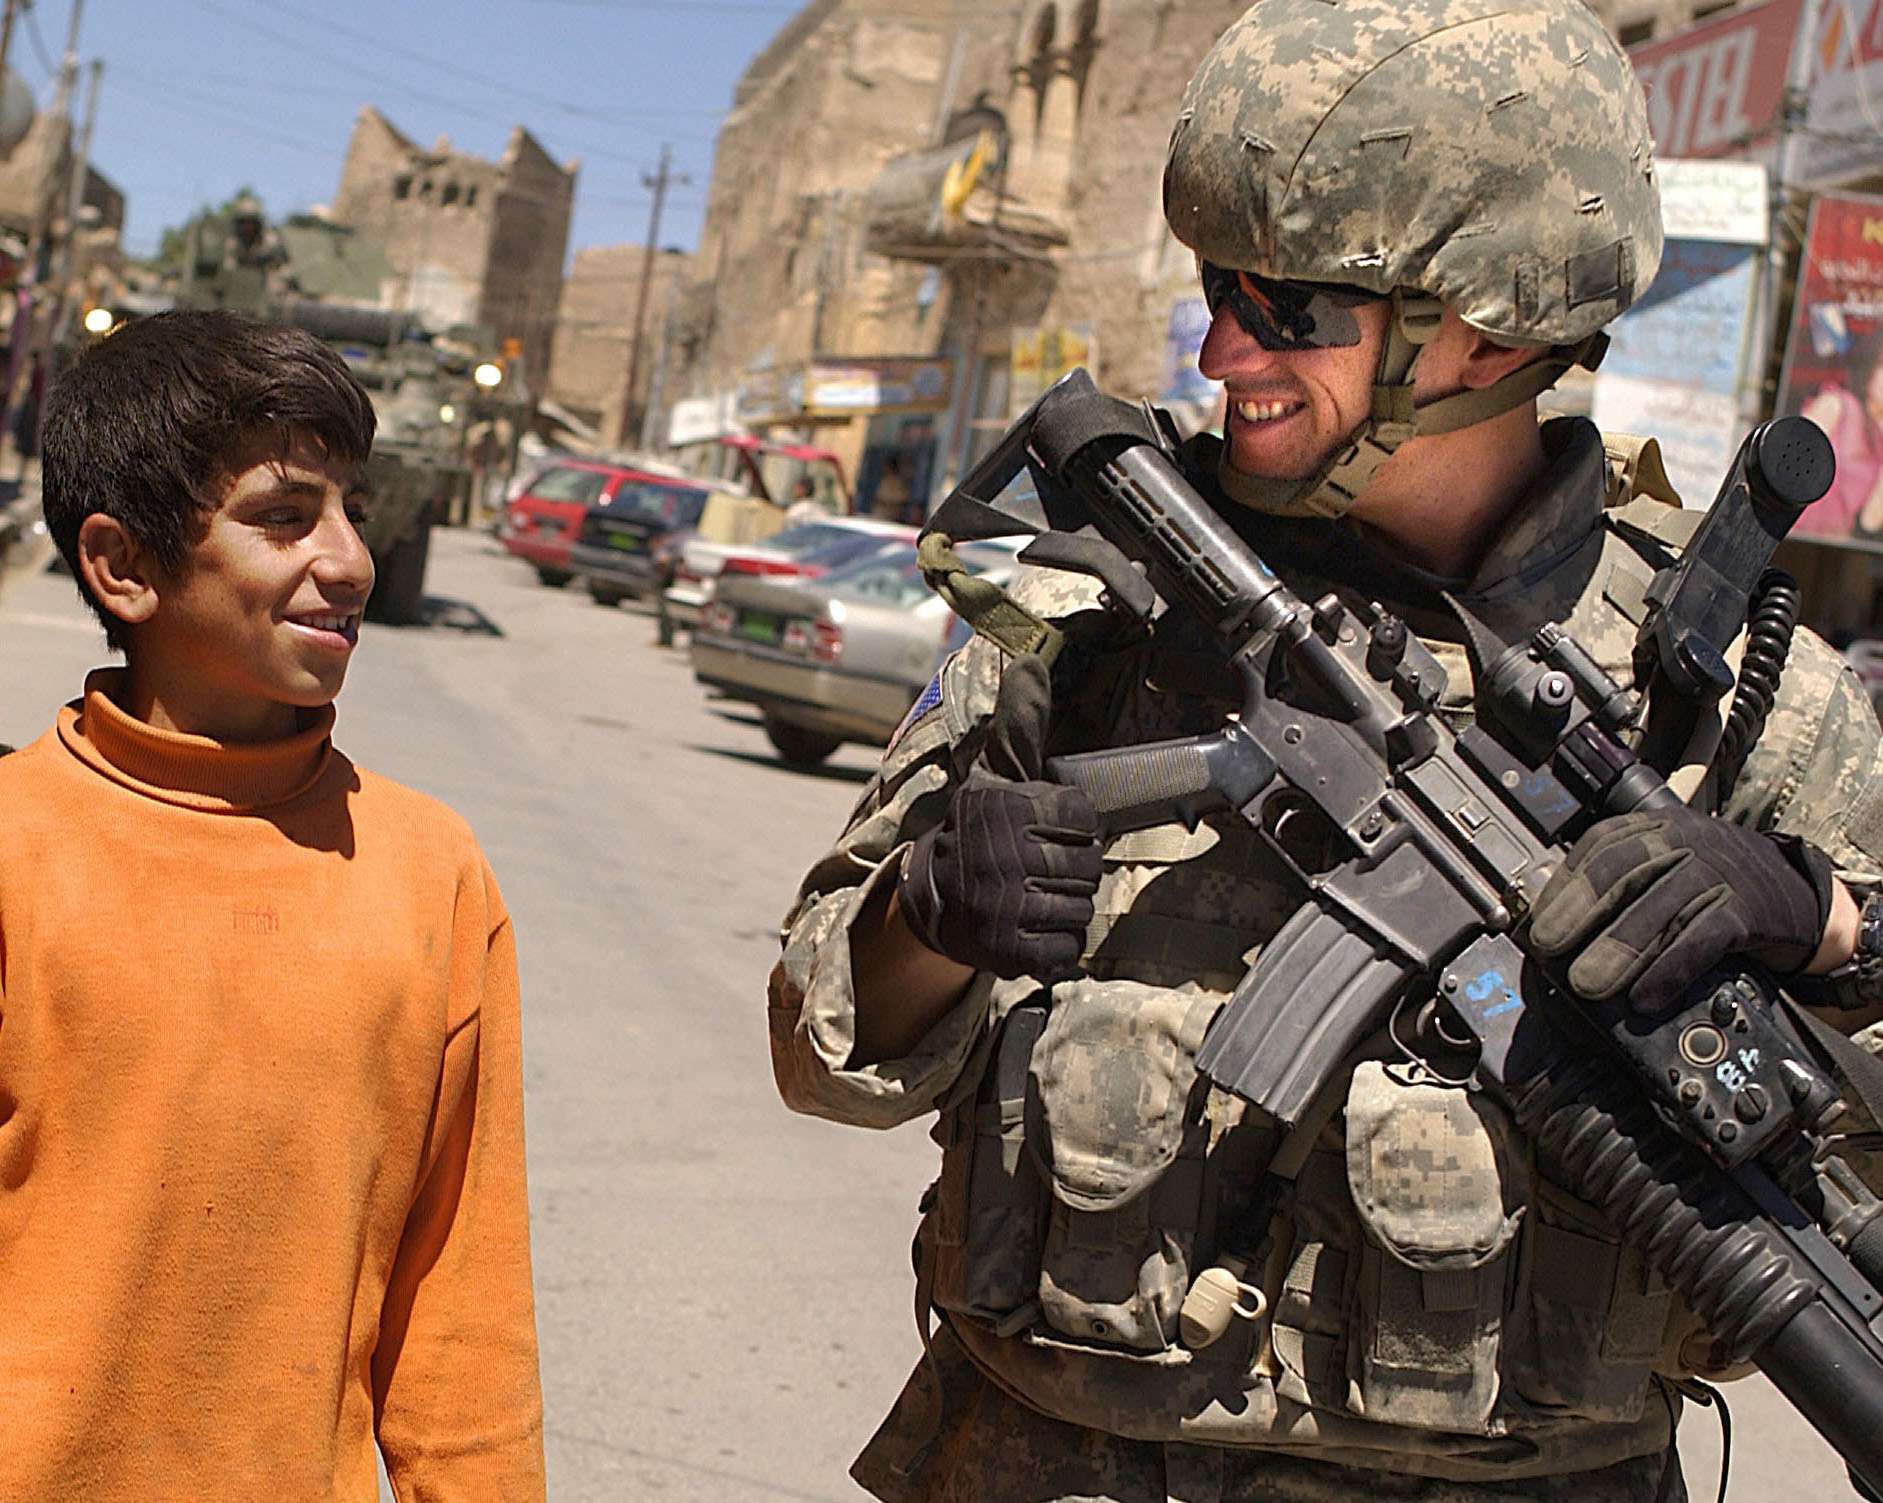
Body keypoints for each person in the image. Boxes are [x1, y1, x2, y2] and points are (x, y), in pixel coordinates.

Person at [768, 3, 1883, 1500]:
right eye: (1215, 290)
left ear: (1487, 327)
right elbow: (817, 1051)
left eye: (1286, 307)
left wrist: (1821, 921)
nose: (1219, 348)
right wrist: (928, 915)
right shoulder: (1098, 609)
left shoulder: (1739, 693)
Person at [0, 308, 545, 1498]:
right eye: (285, 516)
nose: (350, 561)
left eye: (354, 509)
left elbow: (464, 1318)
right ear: (123, 566)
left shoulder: (430, 872)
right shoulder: (15, 849)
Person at [1796, 324, 1883, 539]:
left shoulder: (1879, 437)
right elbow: (1786, 470)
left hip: (1826, 546)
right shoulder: (1837, 406)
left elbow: (1870, 521)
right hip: (1792, 532)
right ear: (1869, 367)